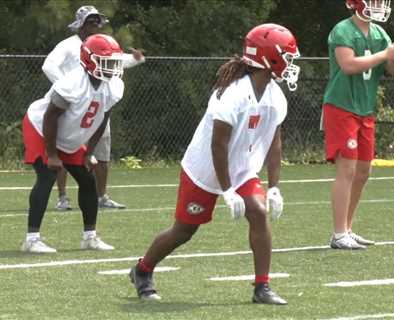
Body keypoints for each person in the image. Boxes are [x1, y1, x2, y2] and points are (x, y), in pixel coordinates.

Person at [129, 23, 300, 304]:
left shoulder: (275, 96)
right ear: (269, 57)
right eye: (288, 56)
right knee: (184, 231)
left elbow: (274, 143)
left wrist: (275, 187)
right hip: (205, 171)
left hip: (243, 168)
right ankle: (142, 269)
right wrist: (227, 190)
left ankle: (262, 287)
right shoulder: (231, 95)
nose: (292, 64)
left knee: (258, 211)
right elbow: (217, 146)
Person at [21, 34, 125, 253]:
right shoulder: (72, 83)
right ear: (89, 59)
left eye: (114, 62)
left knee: (88, 181)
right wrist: (51, 154)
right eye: (106, 62)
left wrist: (89, 152)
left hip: (68, 135)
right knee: (47, 175)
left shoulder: (113, 86)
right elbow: (50, 117)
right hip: (41, 128)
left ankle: (90, 237)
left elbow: (102, 118)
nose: (112, 68)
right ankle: (31, 239)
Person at [322, 0, 394, 249]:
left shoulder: (379, 32)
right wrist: (385, 54)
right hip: (342, 106)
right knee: (347, 170)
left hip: (365, 109)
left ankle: (347, 229)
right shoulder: (342, 30)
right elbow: (348, 65)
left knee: (363, 171)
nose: (378, 4)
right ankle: (338, 232)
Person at [42, 5, 145, 211]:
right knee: (62, 149)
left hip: (98, 103)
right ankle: (63, 197)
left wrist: (135, 59)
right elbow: (48, 65)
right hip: (74, 106)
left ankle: (102, 196)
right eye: (91, 21)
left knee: (102, 151)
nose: (96, 25)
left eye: (98, 21)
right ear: (80, 24)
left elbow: (114, 61)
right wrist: (68, 88)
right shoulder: (68, 45)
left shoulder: (103, 44)